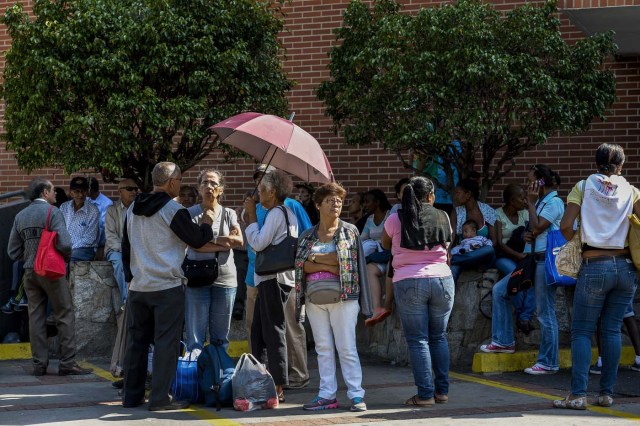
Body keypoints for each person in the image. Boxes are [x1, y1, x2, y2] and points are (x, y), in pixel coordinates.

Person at [121, 162, 215, 411]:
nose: (180, 184)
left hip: (139, 287)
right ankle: (160, 399)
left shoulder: (132, 208)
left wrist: (132, 278)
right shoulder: (173, 209)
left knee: (136, 344)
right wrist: (207, 222)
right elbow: (196, 240)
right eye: (179, 180)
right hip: (167, 287)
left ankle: (131, 397)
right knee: (166, 344)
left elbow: (125, 247)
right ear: (171, 181)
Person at [554, 144, 639, 409]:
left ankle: (578, 394)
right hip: (625, 267)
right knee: (612, 329)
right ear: (621, 166)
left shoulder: (582, 187)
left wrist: (578, 243)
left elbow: (566, 225)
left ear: (596, 162)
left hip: (594, 264)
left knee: (582, 331)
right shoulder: (632, 191)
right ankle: (606, 394)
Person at [295, 183, 372, 412]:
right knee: (323, 348)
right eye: (330, 200)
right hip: (313, 299)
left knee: (347, 347)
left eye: (339, 200)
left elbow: (349, 267)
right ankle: (327, 395)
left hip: (344, 297)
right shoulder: (307, 235)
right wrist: (330, 261)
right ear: (318, 205)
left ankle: (356, 395)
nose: (336, 204)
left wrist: (317, 261)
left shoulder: (350, 231)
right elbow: (300, 265)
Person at [7, 177, 93, 376]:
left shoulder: (20, 216)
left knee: (35, 317)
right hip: (51, 271)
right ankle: (67, 363)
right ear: (44, 192)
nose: (56, 194)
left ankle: (39, 364)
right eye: (53, 190)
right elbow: (65, 244)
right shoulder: (53, 212)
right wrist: (63, 257)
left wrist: (29, 257)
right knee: (64, 313)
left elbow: (12, 251)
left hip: (29, 272)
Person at [380, 176, 454, 406]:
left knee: (418, 340)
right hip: (443, 279)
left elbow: (384, 245)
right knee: (438, 337)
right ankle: (441, 392)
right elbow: (448, 244)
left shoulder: (395, 218)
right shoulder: (443, 216)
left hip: (409, 281)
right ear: (431, 196)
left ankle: (425, 395)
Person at [244, 164, 311, 390]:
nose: (258, 193)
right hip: (272, 278)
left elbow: (258, 243)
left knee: (273, 331)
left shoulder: (276, 213)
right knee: (260, 331)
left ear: (272, 192)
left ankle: (278, 384)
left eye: (262, 190)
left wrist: (251, 217)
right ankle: (264, 378)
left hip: (274, 278)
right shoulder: (285, 212)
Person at [184, 169, 243, 351]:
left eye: (213, 183)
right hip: (196, 277)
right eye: (205, 183)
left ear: (221, 189)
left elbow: (239, 241)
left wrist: (207, 240)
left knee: (220, 338)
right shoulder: (189, 214)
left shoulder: (229, 214)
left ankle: (217, 375)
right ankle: (196, 375)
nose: (209, 187)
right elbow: (195, 245)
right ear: (199, 188)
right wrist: (225, 243)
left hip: (224, 280)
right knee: (195, 338)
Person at [517, 164, 564, 374]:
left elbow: (537, 227)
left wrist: (531, 204)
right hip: (535, 258)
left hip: (546, 260)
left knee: (546, 313)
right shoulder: (543, 202)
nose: (528, 186)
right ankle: (547, 361)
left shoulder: (553, 202)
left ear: (540, 182)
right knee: (544, 311)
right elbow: (534, 230)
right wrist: (528, 235)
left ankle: (548, 362)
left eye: (530, 181)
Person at [449, 178, 496, 281]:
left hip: (483, 256)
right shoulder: (456, 212)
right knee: (453, 271)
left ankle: (454, 260)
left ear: (468, 194)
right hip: (464, 253)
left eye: (458, 192)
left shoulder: (487, 210)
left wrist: (478, 250)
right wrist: (448, 251)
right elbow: (452, 237)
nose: (455, 196)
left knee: (489, 249)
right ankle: (448, 297)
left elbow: (494, 240)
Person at [360, 189, 392, 326]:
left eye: (367, 202)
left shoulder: (391, 216)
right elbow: (361, 239)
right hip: (376, 257)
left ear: (377, 202)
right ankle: (376, 309)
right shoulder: (369, 219)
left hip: (390, 256)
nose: (364, 205)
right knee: (368, 269)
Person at [104, 179, 139, 304]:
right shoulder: (111, 210)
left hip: (137, 249)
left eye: (136, 189)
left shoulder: (140, 209)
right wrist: (127, 250)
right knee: (120, 264)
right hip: (116, 249)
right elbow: (111, 237)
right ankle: (127, 300)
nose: (134, 191)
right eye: (130, 189)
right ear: (120, 191)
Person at [59, 177, 100, 262]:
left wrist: (70, 249)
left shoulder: (93, 210)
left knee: (70, 258)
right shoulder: (64, 207)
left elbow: (90, 238)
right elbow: (60, 230)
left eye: (83, 191)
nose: (81, 195)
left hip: (85, 249)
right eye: (77, 191)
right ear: (71, 193)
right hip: (65, 247)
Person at [88, 177, 114, 260]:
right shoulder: (86, 200)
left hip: (100, 244)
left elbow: (103, 226)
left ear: (91, 190)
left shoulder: (107, 203)